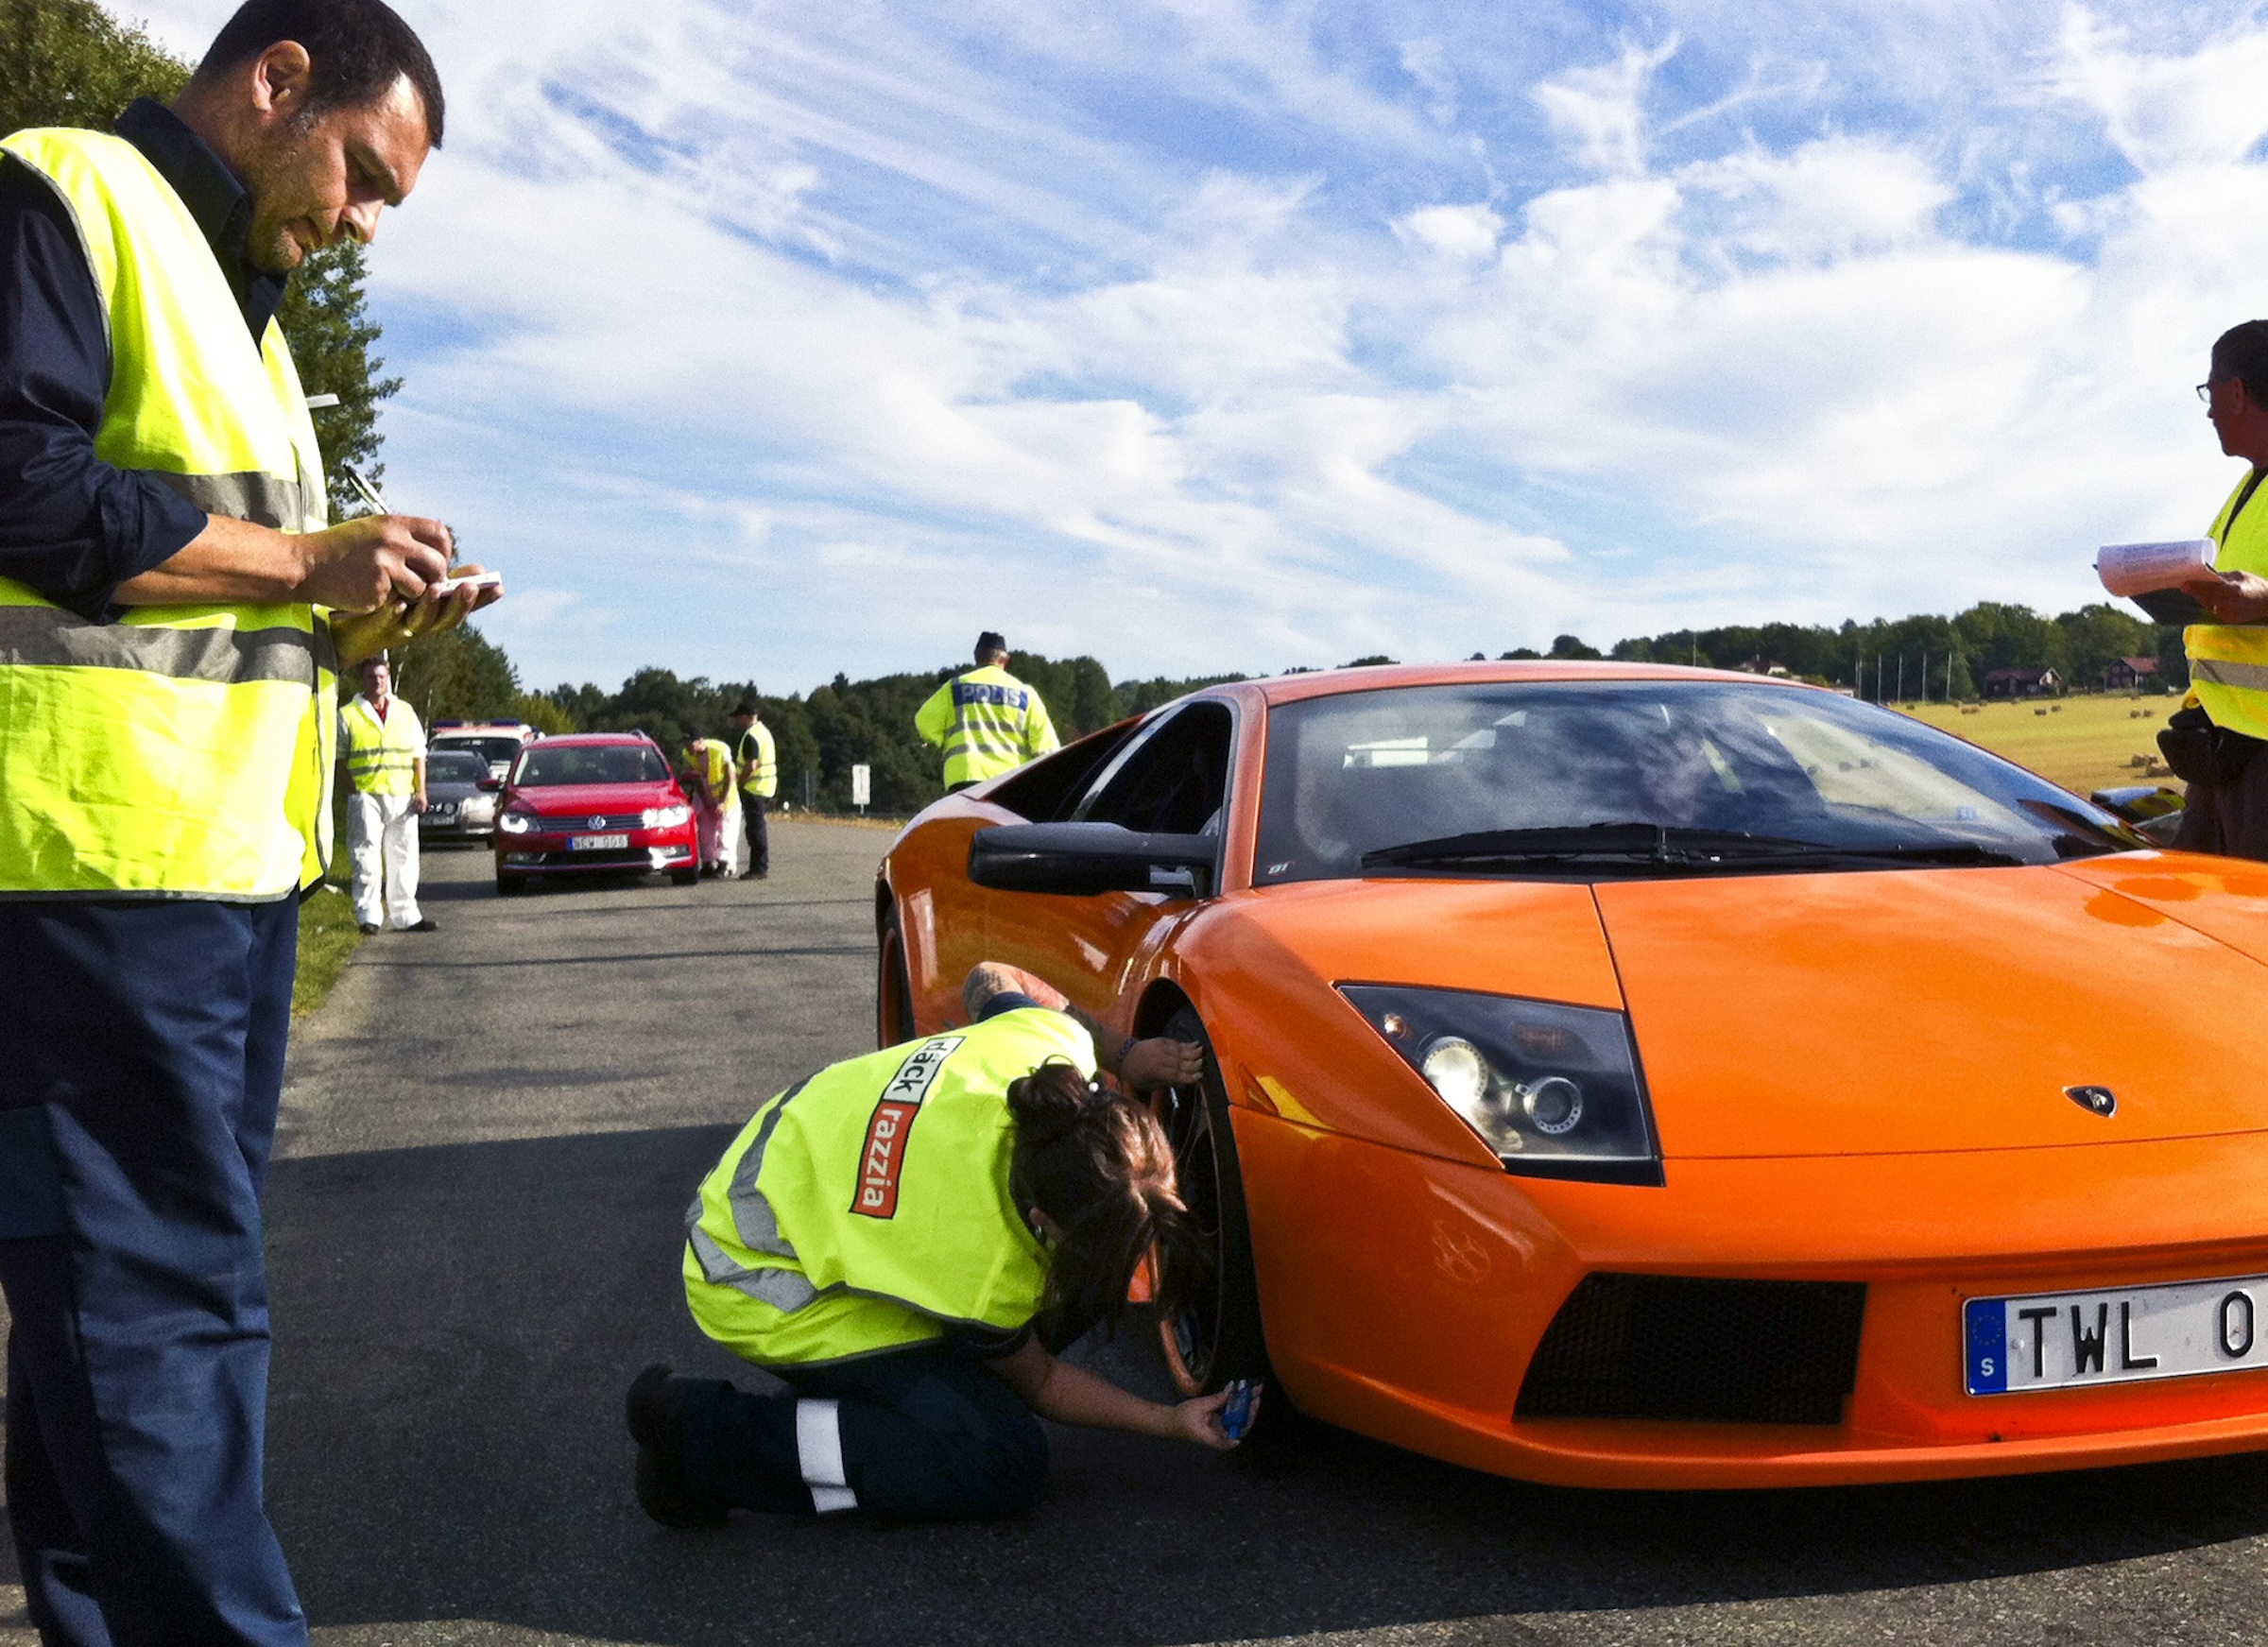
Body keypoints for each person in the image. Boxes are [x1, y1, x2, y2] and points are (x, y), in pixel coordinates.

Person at [0, 5, 490, 1642]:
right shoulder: (67, 189)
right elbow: (16, 483)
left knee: (99, 1300)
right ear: (279, 79)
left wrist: (360, 615)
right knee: (167, 1308)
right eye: (363, 176)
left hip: (212, 871)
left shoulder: (257, 325)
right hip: (100, 864)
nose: (357, 222)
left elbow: (211, 595)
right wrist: (301, 563)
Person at [626, 962, 1250, 1524]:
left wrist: (1128, 1051)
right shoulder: (978, 1267)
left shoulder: (1041, 1048)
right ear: (1042, 1218)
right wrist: (1165, 1421)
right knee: (996, 1456)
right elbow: (1042, 1382)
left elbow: (989, 975)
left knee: (1054, 1306)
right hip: (753, 1275)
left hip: (787, 1156)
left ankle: (911, 1394)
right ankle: (696, 1439)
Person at [2174, 320, 2268, 859]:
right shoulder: (2249, 485)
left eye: (2210, 392)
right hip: (2224, 750)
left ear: (2236, 393)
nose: (2208, 411)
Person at [338, 652, 434, 933]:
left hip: (402, 795)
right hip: (366, 795)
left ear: (388, 676)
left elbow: (419, 755)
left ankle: (406, 915)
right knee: (365, 856)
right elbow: (338, 759)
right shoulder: (348, 715)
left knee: (404, 857)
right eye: (371, 677)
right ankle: (368, 916)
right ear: (362, 679)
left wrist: (421, 791)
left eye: (381, 676)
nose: (377, 682)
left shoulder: (405, 711)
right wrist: (353, 790)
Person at [915, 629, 1061, 791]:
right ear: (1006, 660)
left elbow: (924, 722)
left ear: (977, 657)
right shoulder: (1025, 693)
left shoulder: (955, 687)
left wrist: (940, 741)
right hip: (1011, 779)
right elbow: (1046, 747)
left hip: (965, 775)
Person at [682, 729, 741, 879]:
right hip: (706, 795)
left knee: (725, 829)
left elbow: (730, 777)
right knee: (705, 830)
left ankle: (725, 862)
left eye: (691, 743)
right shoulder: (688, 753)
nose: (689, 747)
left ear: (700, 741)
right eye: (686, 744)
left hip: (726, 796)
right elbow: (695, 778)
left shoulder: (720, 750)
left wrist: (722, 802)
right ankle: (708, 862)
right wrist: (705, 799)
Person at [731, 699, 777, 879]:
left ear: (745, 717)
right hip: (765, 787)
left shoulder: (752, 735)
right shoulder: (763, 732)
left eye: (738, 717)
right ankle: (758, 866)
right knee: (757, 828)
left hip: (754, 788)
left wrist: (738, 782)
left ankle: (758, 868)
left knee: (755, 830)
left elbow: (751, 765)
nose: (736, 721)